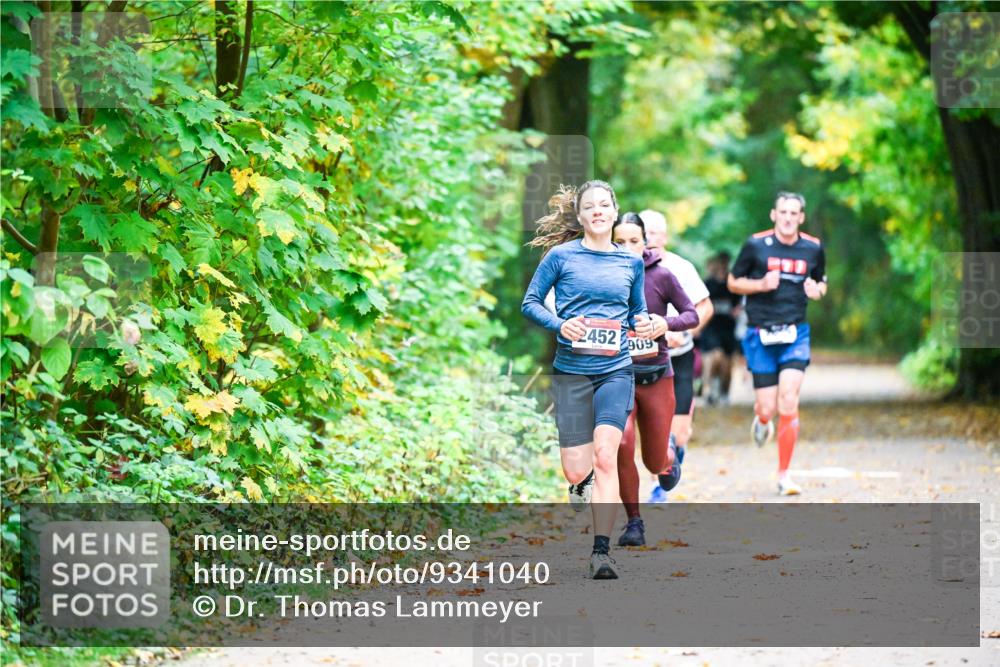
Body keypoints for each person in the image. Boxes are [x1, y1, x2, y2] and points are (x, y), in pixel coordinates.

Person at [522, 181, 654, 579]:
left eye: (604, 205)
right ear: (579, 217)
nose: (597, 211)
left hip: (615, 369)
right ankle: (582, 484)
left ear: (615, 213)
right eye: (589, 207)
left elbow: (637, 313)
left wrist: (644, 323)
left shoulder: (631, 262)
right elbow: (529, 303)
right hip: (572, 372)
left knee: (605, 456)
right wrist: (563, 325)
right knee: (577, 469)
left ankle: (601, 553)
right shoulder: (560, 257)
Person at [727, 191, 827, 496]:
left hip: (795, 333)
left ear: (801, 217)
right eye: (782, 212)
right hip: (760, 334)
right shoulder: (756, 245)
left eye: (793, 213)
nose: (787, 217)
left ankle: (784, 474)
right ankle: (761, 419)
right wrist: (759, 285)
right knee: (768, 406)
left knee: (788, 399)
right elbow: (733, 281)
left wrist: (816, 290)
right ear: (774, 215)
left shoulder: (813, 248)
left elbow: (822, 282)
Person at [611, 213, 698, 546]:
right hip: (618, 376)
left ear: (646, 242)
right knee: (621, 444)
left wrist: (665, 324)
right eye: (620, 241)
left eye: (634, 241)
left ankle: (668, 455)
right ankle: (634, 522)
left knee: (654, 461)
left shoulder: (661, 275)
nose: (627, 248)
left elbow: (691, 314)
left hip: (657, 377)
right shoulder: (601, 277)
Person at [638, 209, 713, 502]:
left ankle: (671, 467)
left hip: (679, 356)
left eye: (655, 232)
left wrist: (684, 333)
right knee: (653, 430)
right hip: (644, 360)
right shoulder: (628, 267)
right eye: (645, 232)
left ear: (665, 236)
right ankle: (658, 483)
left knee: (680, 433)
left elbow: (704, 307)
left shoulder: (681, 267)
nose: (649, 238)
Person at [699, 252, 741, 405]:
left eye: (725, 262)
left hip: (728, 328)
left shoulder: (732, 284)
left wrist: (737, 311)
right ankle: (708, 389)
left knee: (727, 364)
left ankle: (724, 392)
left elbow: (740, 304)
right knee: (712, 356)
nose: (722, 265)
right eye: (720, 262)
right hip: (710, 327)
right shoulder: (708, 283)